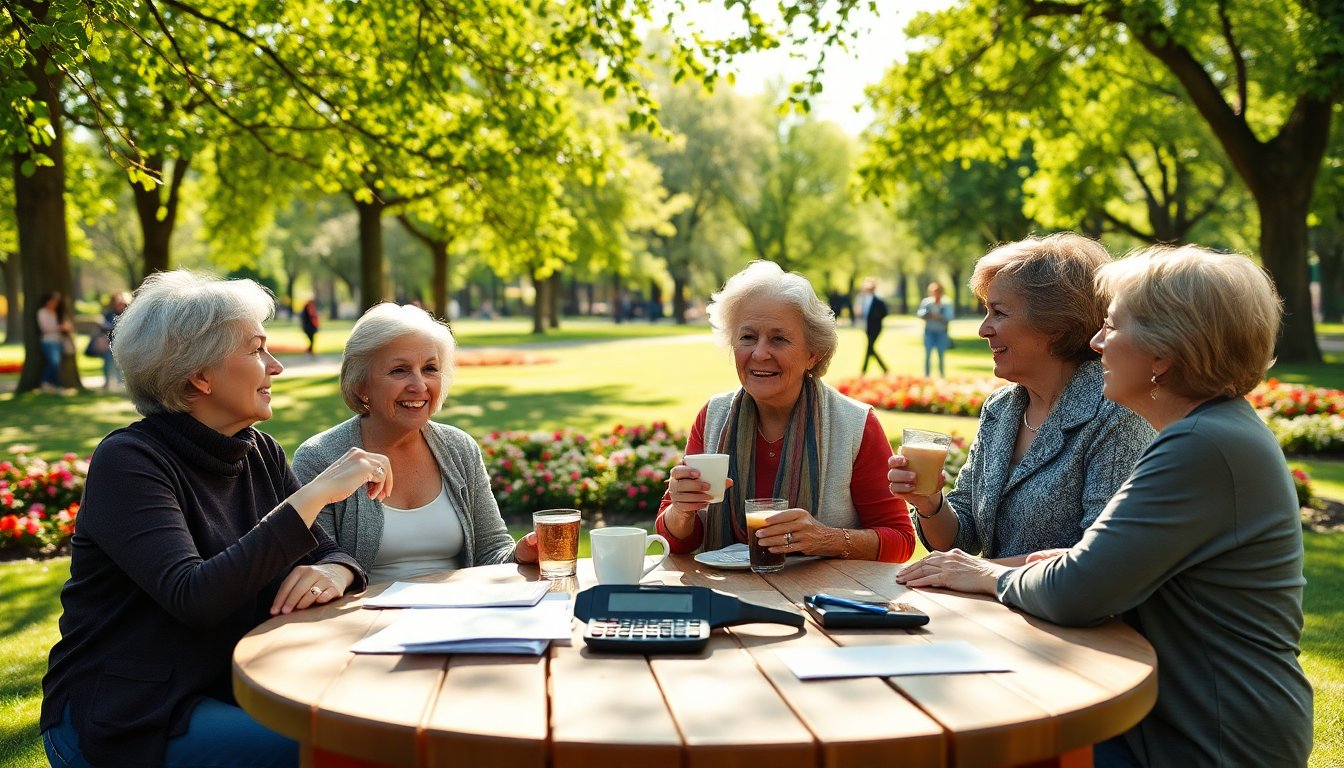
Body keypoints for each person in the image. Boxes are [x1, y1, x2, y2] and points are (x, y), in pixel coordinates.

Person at [894, 245, 1313, 767]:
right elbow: (1094, 569)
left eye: (1112, 326)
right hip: (1161, 713)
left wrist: (990, 574)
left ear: (1163, 352)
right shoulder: (1206, 433)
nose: (1095, 341)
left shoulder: (1200, 445)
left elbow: (1079, 589)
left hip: (1205, 735)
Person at [41, 270, 386, 768]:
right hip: (132, 712)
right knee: (342, 746)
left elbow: (322, 551)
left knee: (371, 721)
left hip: (232, 684)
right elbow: (194, 596)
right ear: (198, 376)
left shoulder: (257, 450)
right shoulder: (130, 462)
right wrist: (314, 494)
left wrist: (338, 569)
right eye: (257, 350)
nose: (276, 367)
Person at [888, 233, 1153, 563]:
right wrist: (929, 502)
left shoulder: (1115, 413)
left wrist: (982, 573)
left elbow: (1103, 561)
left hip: (1067, 615)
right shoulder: (1001, 409)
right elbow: (962, 538)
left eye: (998, 313)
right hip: (998, 611)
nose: (983, 329)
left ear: (1054, 324)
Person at [656, 261, 915, 563]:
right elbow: (674, 539)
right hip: (726, 597)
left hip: (819, 602)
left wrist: (827, 539)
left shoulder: (855, 424)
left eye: (779, 339)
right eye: (747, 337)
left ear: (812, 354)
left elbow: (901, 541)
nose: (760, 353)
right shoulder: (714, 416)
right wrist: (680, 511)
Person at [294, 303, 537, 583]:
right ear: (361, 384)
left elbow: (491, 551)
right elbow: (320, 567)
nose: (419, 385)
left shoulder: (460, 448)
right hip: (366, 621)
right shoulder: (321, 457)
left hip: (459, 616)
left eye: (430, 368)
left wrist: (521, 553)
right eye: (399, 370)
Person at [36, 290, 75, 394]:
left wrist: (66, 327)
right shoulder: (42, 312)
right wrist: (61, 327)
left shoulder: (58, 313)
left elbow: (69, 326)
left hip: (59, 341)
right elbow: (45, 328)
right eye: (52, 301)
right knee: (54, 362)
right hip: (48, 341)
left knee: (54, 363)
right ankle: (55, 385)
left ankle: (47, 384)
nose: (54, 304)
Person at [915, 281, 953, 378]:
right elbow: (920, 314)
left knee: (941, 354)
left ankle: (941, 374)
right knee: (928, 354)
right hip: (929, 332)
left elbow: (949, 317)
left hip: (941, 332)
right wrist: (929, 314)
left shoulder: (946, 303)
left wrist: (940, 317)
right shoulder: (927, 303)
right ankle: (927, 375)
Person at [96, 292, 129, 391]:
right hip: (110, 343)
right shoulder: (108, 314)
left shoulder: (129, 313)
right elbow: (103, 327)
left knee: (122, 364)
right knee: (108, 362)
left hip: (125, 343)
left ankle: (121, 384)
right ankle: (108, 383)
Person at [857, 277, 889, 375]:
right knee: (870, 348)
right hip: (867, 327)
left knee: (870, 347)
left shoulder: (878, 299)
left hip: (876, 327)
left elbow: (885, 312)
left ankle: (864, 370)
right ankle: (884, 369)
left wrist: (876, 316)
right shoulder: (862, 299)